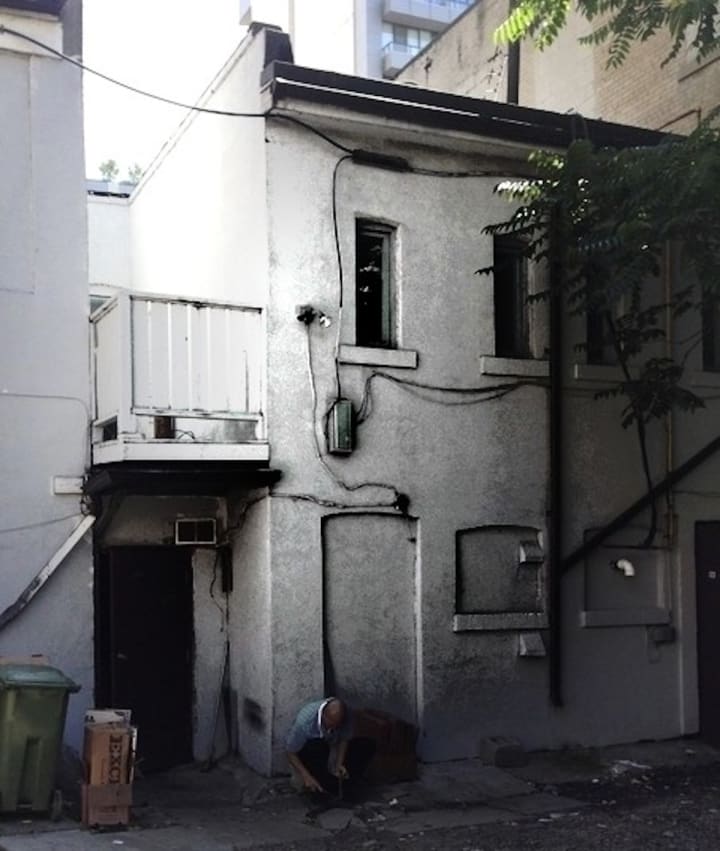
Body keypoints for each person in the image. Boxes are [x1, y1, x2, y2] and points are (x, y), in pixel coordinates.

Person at [285, 697, 374, 796]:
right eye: (331, 724)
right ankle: (319, 786)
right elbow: (290, 752)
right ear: (324, 716)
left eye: (337, 725)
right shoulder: (305, 722)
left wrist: (339, 764)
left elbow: (344, 739)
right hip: (312, 752)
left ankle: (345, 785)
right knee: (316, 746)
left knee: (367, 745)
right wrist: (306, 777)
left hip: (332, 747)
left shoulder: (347, 713)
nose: (334, 727)